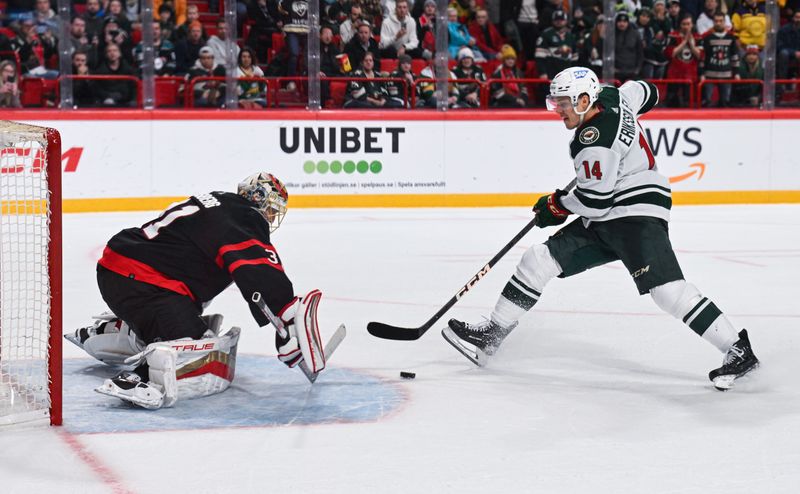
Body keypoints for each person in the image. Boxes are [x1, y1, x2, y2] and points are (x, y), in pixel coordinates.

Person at [444, 66, 760, 391]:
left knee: (667, 292)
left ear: (584, 99)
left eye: (564, 103)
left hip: (634, 212)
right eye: (556, 102)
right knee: (538, 260)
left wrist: (557, 205)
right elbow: (648, 90)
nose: (559, 110)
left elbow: (595, 202)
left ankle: (738, 350)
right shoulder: (614, 96)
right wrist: (628, 129)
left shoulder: (591, 142)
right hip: (613, 213)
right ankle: (491, 338)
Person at [65, 173, 328, 409]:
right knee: (194, 343)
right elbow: (256, 265)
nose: (270, 218)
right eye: (270, 210)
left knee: (183, 317)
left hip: (122, 272)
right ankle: (140, 378)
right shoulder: (243, 216)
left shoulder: (220, 202)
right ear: (259, 200)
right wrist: (285, 313)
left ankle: (121, 329)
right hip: (145, 284)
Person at [700, 12, 739, 107]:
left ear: (725, 22)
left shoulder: (731, 37)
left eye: (721, 21)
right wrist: (701, 74)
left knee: (725, 102)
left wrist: (737, 73)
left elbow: (734, 57)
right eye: (716, 21)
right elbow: (702, 58)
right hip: (709, 74)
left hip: (726, 74)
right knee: (707, 102)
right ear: (713, 22)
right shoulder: (707, 38)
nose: (718, 23)